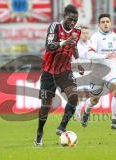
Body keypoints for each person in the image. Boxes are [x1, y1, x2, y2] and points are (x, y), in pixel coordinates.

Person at [35, 4, 84, 146]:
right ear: (64, 17)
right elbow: (48, 46)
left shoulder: (77, 31)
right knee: (46, 106)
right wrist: (64, 42)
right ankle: (39, 131)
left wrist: (79, 62)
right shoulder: (55, 27)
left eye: (75, 20)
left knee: (74, 97)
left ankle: (62, 126)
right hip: (49, 71)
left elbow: (74, 46)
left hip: (65, 70)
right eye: (70, 19)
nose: (73, 22)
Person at [81, 13, 116, 134]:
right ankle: (86, 111)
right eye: (103, 22)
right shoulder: (95, 38)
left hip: (111, 72)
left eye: (107, 21)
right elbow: (89, 54)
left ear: (110, 23)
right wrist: (105, 55)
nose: (105, 24)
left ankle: (115, 121)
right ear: (99, 24)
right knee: (94, 100)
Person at [74, 25, 91, 121]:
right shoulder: (76, 45)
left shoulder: (91, 44)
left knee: (89, 95)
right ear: (79, 34)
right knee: (79, 94)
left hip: (89, 71)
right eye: (83, 33)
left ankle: (86, 113)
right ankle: (77, 113)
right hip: (78, 72)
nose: (85, 35)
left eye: (86, 33)